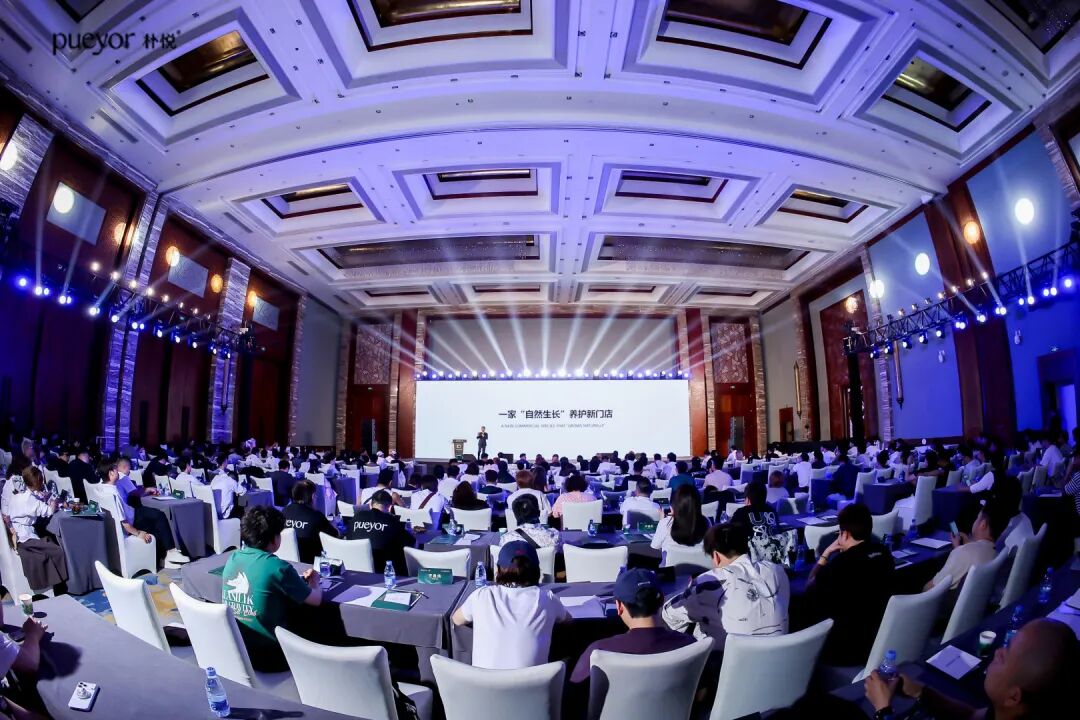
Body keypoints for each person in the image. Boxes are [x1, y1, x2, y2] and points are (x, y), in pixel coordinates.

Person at [865, 618, 1077, 720]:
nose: (998, 652)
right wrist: (920, 691)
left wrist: (883, 709)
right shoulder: (1007, 713)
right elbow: (972, 715)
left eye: (1005, 656)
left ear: (1014, 697)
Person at [221, 505, 322, 672]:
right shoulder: (278, 567)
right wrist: (314, 581)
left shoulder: (233, 558)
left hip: (238, 650)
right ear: (274, 539)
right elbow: (316, 599)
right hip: (271, 657)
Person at [662, 523, 788, 647]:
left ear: (716, 556)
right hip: (781, 655)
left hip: (726, 658)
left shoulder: (709, 583)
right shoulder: (776, 570)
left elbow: (669, 615)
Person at [801, 503, 894, 665]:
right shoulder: (884, 552)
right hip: (876, 639)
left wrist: (825, 554)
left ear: (845, 534)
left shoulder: (841, 564)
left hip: (844, 650)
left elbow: (809, 586)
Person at [452, 540, 570, 669]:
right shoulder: (547, 598)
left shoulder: (481, 595)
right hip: (535, 682)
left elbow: (456, 619)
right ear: (537, 570)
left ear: (498, 570)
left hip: (483, 681)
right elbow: (567, 620)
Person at [570, 568, 695, 683]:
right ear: (662, 599)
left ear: (619, 607)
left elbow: (574, 694)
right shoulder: (690, 645)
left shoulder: (598, 652)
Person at [98, 460, 175, 564]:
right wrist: (138, 533)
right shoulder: (113, 494)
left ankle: (163, 556)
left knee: (156, 517)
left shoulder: (102, 488)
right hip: (133, 520)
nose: (118, 472)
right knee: (160, 517)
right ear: (111, 473)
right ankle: (170, 552)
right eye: (116, 470)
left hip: (132, 514)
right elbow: (125, 524)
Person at [5, 467, 67, 591]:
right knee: (57, 551)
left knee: (48, 539)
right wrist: (54, 503)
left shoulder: (18, 493)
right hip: (25, 538)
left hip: (17, 531)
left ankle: (57, 582)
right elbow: (48, 511)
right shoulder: (29, 499)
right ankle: (59, 585)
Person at [925, 504, 1004, 591]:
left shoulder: (964, 553)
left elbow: (931, 589)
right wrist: (958, 548)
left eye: (978, 518)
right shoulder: (996, 553)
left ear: (983, 524)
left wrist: (960, 550)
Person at [346, 489, 415, 575]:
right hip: (383, 571)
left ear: (370, 505)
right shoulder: (392, 521)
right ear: (389, 507)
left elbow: (348, 538)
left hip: (354, 568)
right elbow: (411, 542)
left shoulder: (357, 517)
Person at [282, 480, 338, 563]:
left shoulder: (284, 511)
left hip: (287, 560)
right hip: (310, 563)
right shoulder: (316, 516)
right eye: (315, 495)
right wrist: (334, 525)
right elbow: (334, 537)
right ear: (312, 496)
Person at [651, 484, 708, 553]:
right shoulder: (706, 522)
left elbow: (655, 546)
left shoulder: (666, 523)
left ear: (674, 505)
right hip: (698, 560)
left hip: (671, 560)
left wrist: (662, 520)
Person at [209, 454, 246, 519]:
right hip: (226, 514)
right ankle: (242, 519)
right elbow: (243, 491)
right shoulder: (230, 480)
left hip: (214, 511)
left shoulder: (215, 478)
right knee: (242, 497)